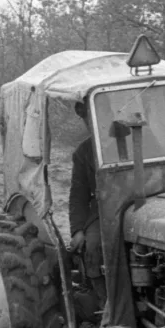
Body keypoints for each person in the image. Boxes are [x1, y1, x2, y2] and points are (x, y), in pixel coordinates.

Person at [68, 100, 106, 307]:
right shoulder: (84, 152)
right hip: (104, 210)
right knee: (92, 245)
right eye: (86, 119)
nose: (90, 123)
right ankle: (105, 303)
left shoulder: (141, 139)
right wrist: (77, 230)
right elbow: (78, 195)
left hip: (150, 202)